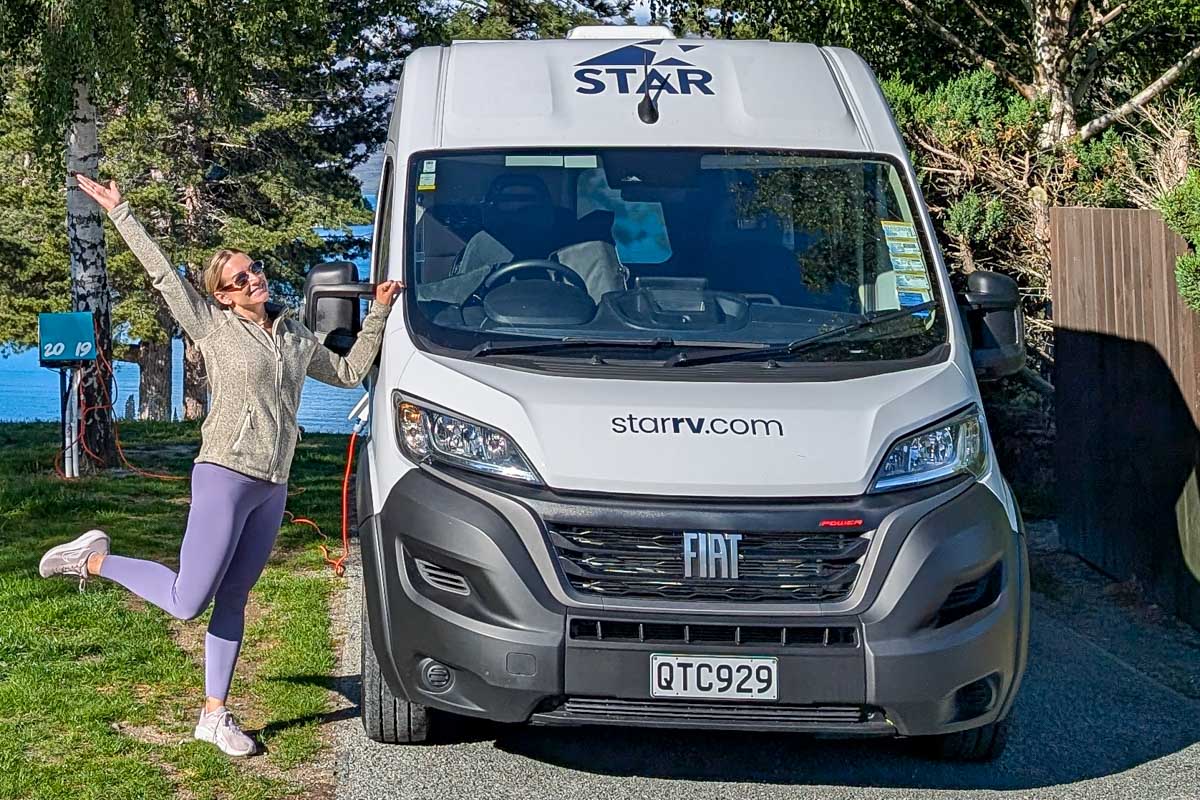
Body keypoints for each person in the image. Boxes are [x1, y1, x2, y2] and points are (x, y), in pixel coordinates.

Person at [38, 174, 403, 757]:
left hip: (273, 483)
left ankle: (215, 715)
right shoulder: (213, 326)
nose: (253, 278)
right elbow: (162, 276)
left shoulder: (291, 333)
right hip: (225, 475)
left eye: (254, 270)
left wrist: (380, 311)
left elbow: (347, 373)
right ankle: (94, 560)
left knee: (236, 596)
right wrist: (122, 213)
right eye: (239, 278)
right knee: (188, 600)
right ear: (224, 296)